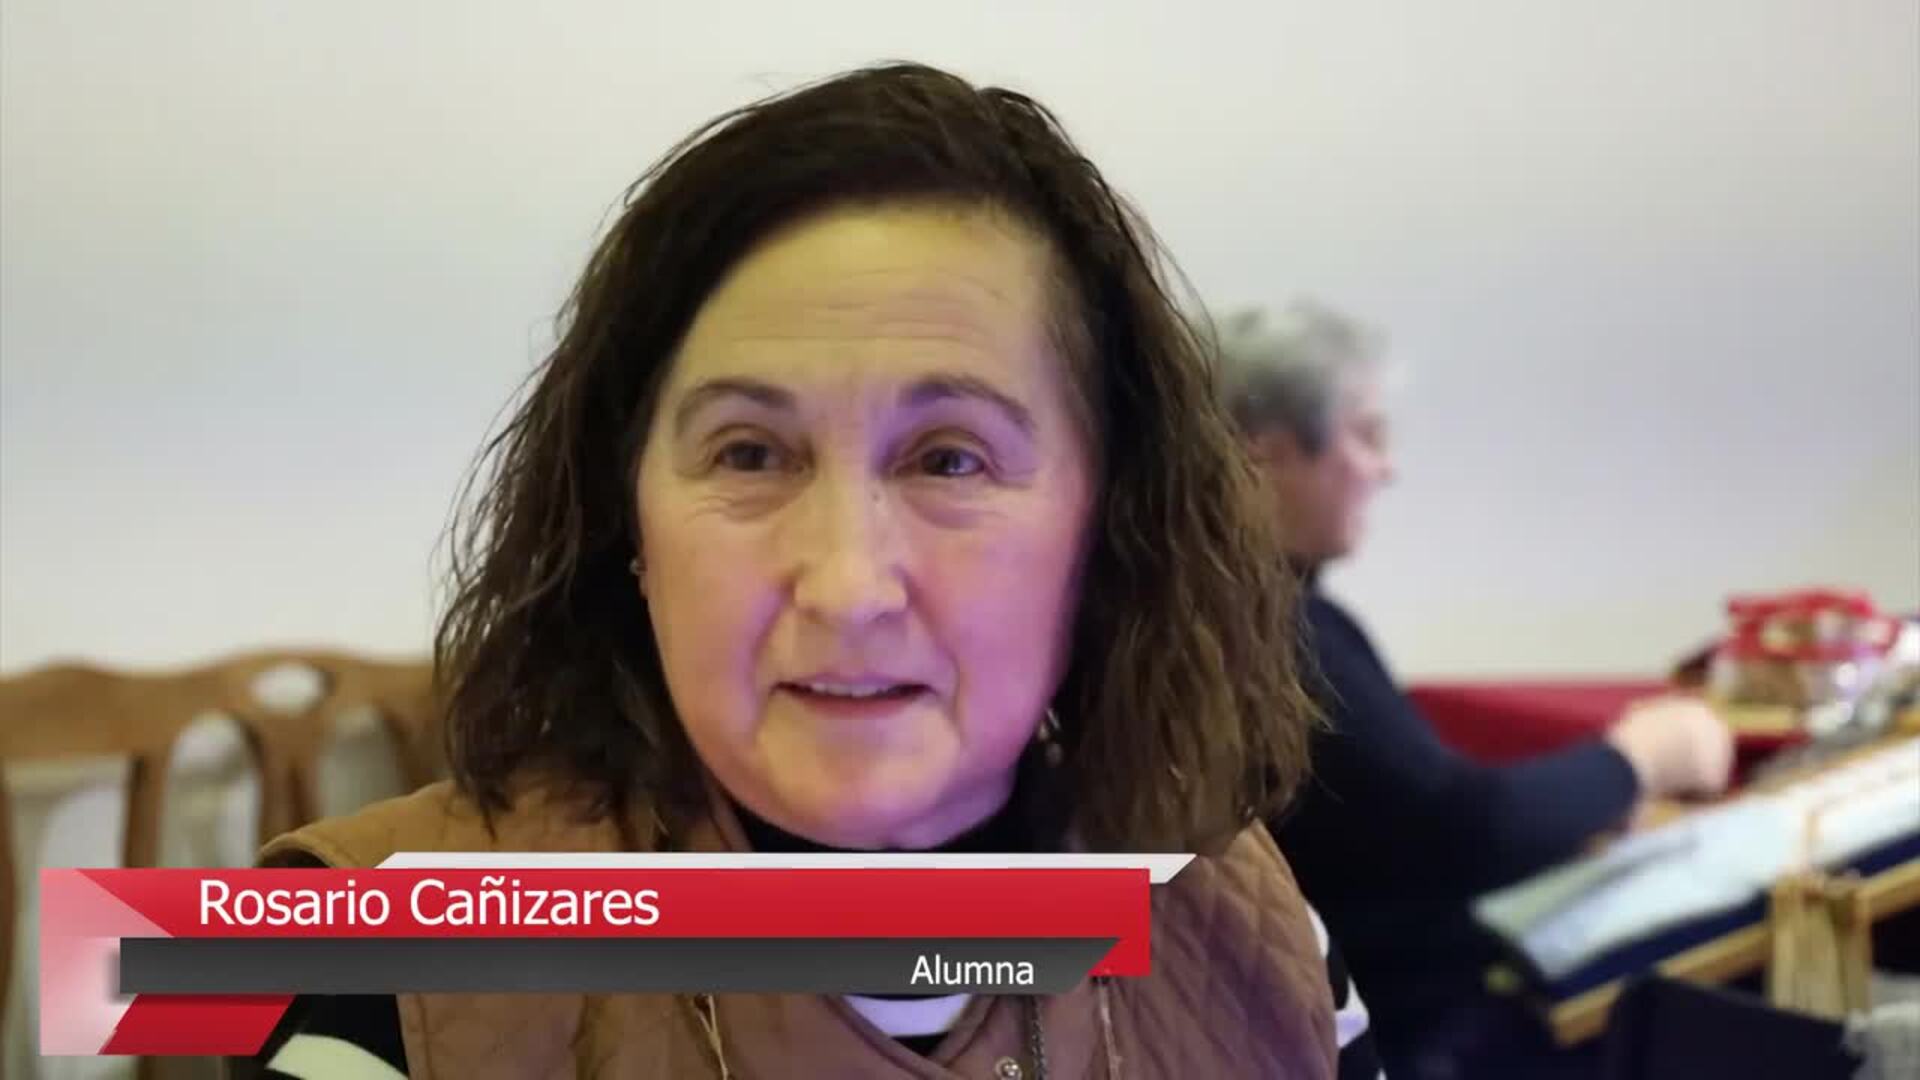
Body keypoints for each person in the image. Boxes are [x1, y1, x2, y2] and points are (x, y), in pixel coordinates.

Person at [238, 65, 1341, 1078]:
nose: (847, 586)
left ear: (1108, 523)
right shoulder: (363, 965)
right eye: (750, 455)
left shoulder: (1248, 923)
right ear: (628, 518)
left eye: (949, 460)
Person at [1209, 302, 1736, 1079]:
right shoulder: (1269, 626)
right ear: (1266, 452)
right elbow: (1463, 828)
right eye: (1366, 434)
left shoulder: (1246, 612)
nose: (1385, 468)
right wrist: (1642, 758)